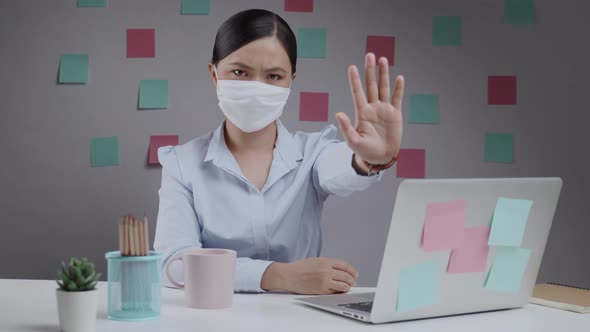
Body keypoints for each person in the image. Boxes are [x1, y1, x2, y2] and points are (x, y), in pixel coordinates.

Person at [154, 8, 405, 295]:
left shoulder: (314, 153)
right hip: (214, 316)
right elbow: (174, 265)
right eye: (239, 72)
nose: (256, 88)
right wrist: (280, 276)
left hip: (299, 318)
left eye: (273, 76)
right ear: (214, 73)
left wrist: (371, 158)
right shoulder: (182, 163)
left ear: (290, 81)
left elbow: (343, 167)